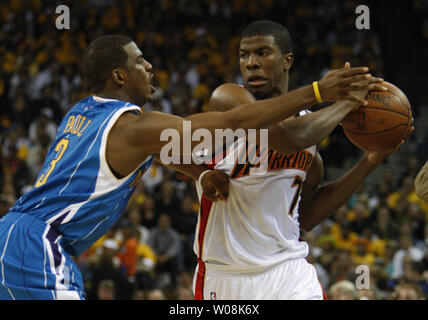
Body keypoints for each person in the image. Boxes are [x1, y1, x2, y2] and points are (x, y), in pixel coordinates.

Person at [0, 34, 369, 300]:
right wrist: (319, 92)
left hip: (16, 235)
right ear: (119, 76)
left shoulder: (84, 113)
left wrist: (200, 172)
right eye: (140, 61)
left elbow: (163, 149)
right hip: (39, 243)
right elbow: (234, 123)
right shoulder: (134, 125)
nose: (149, 66)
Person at [169, 20, 404, 300]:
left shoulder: (311, 133)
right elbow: (285, 139)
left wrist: (369, 162)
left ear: (286, 60)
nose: (251, 63)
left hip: (288, 270)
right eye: (244, 55)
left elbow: (305, 216)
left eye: (262, 53)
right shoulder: (228, 98)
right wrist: (339, 101)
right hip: (227, 274)